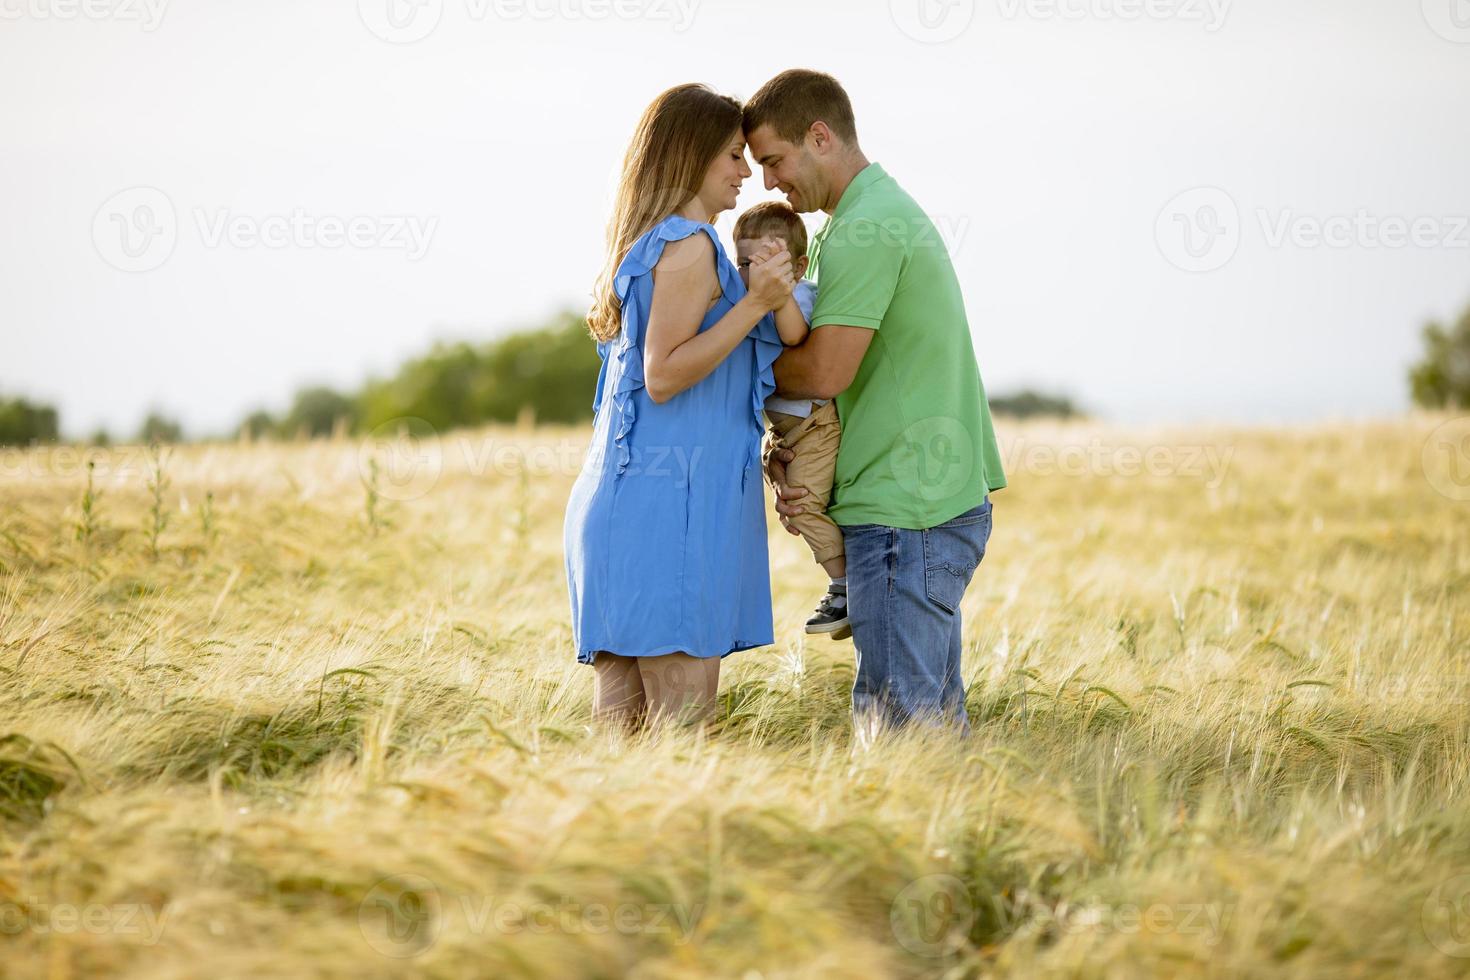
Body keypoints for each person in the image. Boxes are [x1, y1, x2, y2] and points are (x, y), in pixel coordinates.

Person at [744, 69, 1008, 735]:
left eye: (773, 160)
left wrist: (722, 367)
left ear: (820, 136)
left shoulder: (866, 229)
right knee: (933, 728)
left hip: (904, 510)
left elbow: (826, 372)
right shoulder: (863, 218)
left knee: (901, 735)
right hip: (920, 501)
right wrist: (799, 450)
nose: (769, 183)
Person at [563, 82, 795, 733]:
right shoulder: (690, 244)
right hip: (672, 516)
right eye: (730, 156)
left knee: (625, 745)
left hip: (628, 511)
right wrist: (754, 304)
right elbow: (662, 375)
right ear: (690, 156)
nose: (746, 172)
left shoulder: (648, 247)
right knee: (682, 742)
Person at [732, 201, 850, 639]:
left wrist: (774, 296)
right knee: (797, 505)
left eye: (768, 263)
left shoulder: (797, 297)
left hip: (816, 425)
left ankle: (844, 584)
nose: (753, 274)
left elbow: (794, 336)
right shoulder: (748, 303)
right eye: (744, 262)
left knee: (802, 505)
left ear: (798, 266)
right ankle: (844, 577)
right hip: (787, 430)